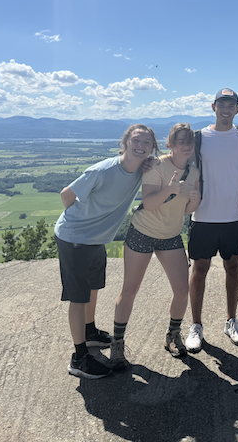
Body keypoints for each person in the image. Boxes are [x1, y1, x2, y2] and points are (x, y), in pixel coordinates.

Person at [55, 124, 159, 379]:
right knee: (78, 297)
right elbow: (66, 195)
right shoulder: (103, 170)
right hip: (75, 238)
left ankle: (89, 332)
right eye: (136, 139)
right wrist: (81, 223)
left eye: (147, 142)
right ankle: (79, 358)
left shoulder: (142, 169)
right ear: (125, 143)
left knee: (93, 286)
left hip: (95, 240)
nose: (141, 145)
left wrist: (152, 162)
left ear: (152, 148)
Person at [109, 123, 201, 370]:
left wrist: (194, 200)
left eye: (189, 141)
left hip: (170, 235)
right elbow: (148, 204)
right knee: (129, 290)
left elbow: (188, 210)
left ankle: (173, 334)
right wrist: (170, 189)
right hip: (143, 231)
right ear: (169, 144)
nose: (186, 145)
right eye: (180, 140)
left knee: (182, 290)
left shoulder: (194, 172)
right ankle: (117, 343)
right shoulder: (157, 165)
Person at [185, 88, 238, 353]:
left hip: (233, 217)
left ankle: (231, 321)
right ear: (213, 106)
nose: (226, 109)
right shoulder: (200, 137)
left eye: (231, 105)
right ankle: (196, 326)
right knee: (199, 271)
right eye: (222, 104)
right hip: (202, 216)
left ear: (237, 109)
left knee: (233, 269)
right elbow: (180, 161)